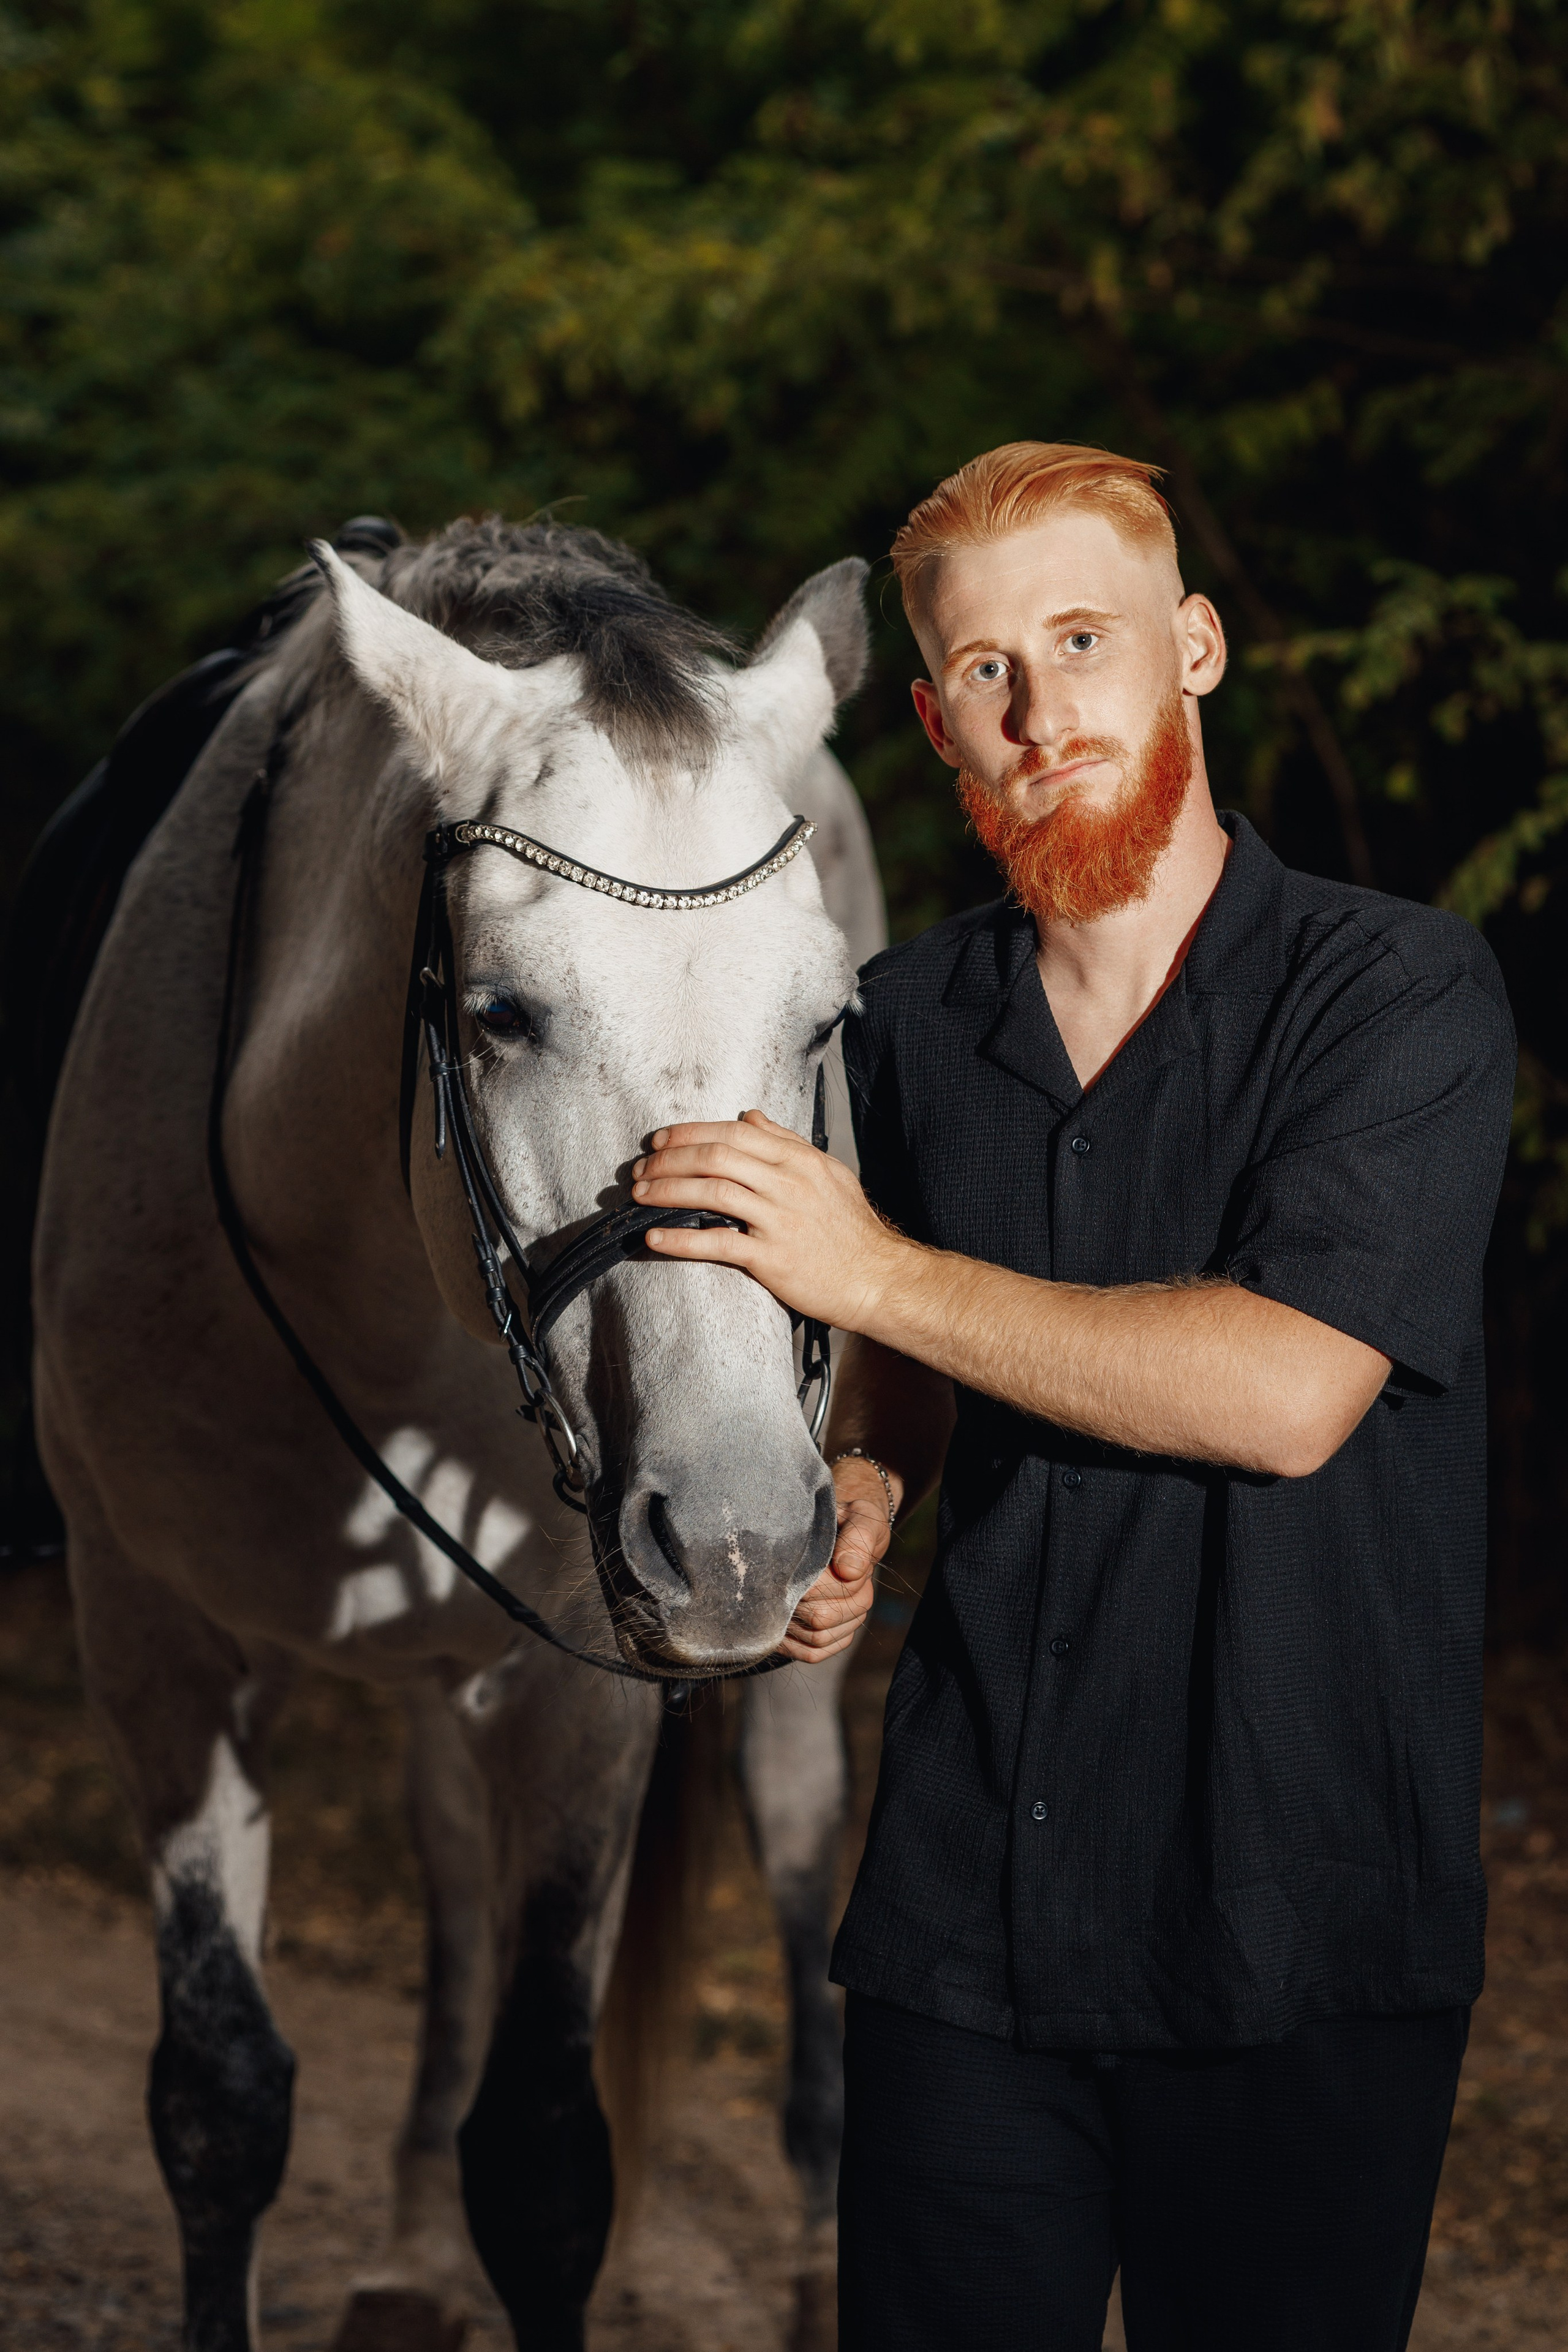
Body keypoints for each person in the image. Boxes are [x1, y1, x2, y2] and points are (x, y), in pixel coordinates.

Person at [630, 443, 1515, 2350]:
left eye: (1085, 640)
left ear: (1192, 648)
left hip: (1298, 1921)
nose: (1040, 712)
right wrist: (865, 1488)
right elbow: (913, 1379)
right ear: (939, 726)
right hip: (971, 1919)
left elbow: (1287, 1391)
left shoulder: (1398, 995)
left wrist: (866, 1267)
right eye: (981, 673)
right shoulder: (901, 1023)